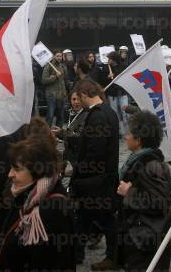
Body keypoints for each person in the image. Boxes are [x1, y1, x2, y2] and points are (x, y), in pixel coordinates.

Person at [0, 135, 76, 271]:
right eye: (11, 168)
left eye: (17, 169)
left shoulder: (52, 209)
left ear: (37, 171)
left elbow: (52, 261)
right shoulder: (27, 195)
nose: (10, 174)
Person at [70, 79, 119, 270]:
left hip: (95, 182)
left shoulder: (97, 116)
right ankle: (77, 254)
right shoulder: (109, 111)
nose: (77, 102)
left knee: (105, 220)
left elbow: (94, 153)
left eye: (78, 98)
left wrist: (78, 177)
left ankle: (113, 256)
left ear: (83, 95)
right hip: (100, 180)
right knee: (83, 218)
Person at [117, 111, 171, 272]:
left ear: (139, 140)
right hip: (138, 238)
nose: (125, 136)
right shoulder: (139, 161)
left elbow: (159, 203)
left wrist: (129, 192)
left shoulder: (151, 165)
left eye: (129, 133)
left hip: (146, 241)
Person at [100, 51, 129, 135]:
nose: (108, 60)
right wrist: (107, 77)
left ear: (114, 59)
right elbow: (102, 81)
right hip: (112, 94)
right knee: (115, 113)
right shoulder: (106, 68)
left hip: (122, 93)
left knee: (125, 112)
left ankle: (127, 132)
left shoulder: (123, 66)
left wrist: (116, 75)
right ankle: (118, 132)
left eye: (110, 59)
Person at [42, 50, 68, 127]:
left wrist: (65, 92)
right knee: (50, 115)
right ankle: (46, 134)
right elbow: (44, 80)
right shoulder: (48, 66)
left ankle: (58, 134)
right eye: (57, 56)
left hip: (61, 94)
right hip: (51, 94)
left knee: (60, 116)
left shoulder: (63, 66)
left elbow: (64, 81)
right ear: (53, 56)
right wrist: (55, 77)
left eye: (60, 56)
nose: (59, 58)